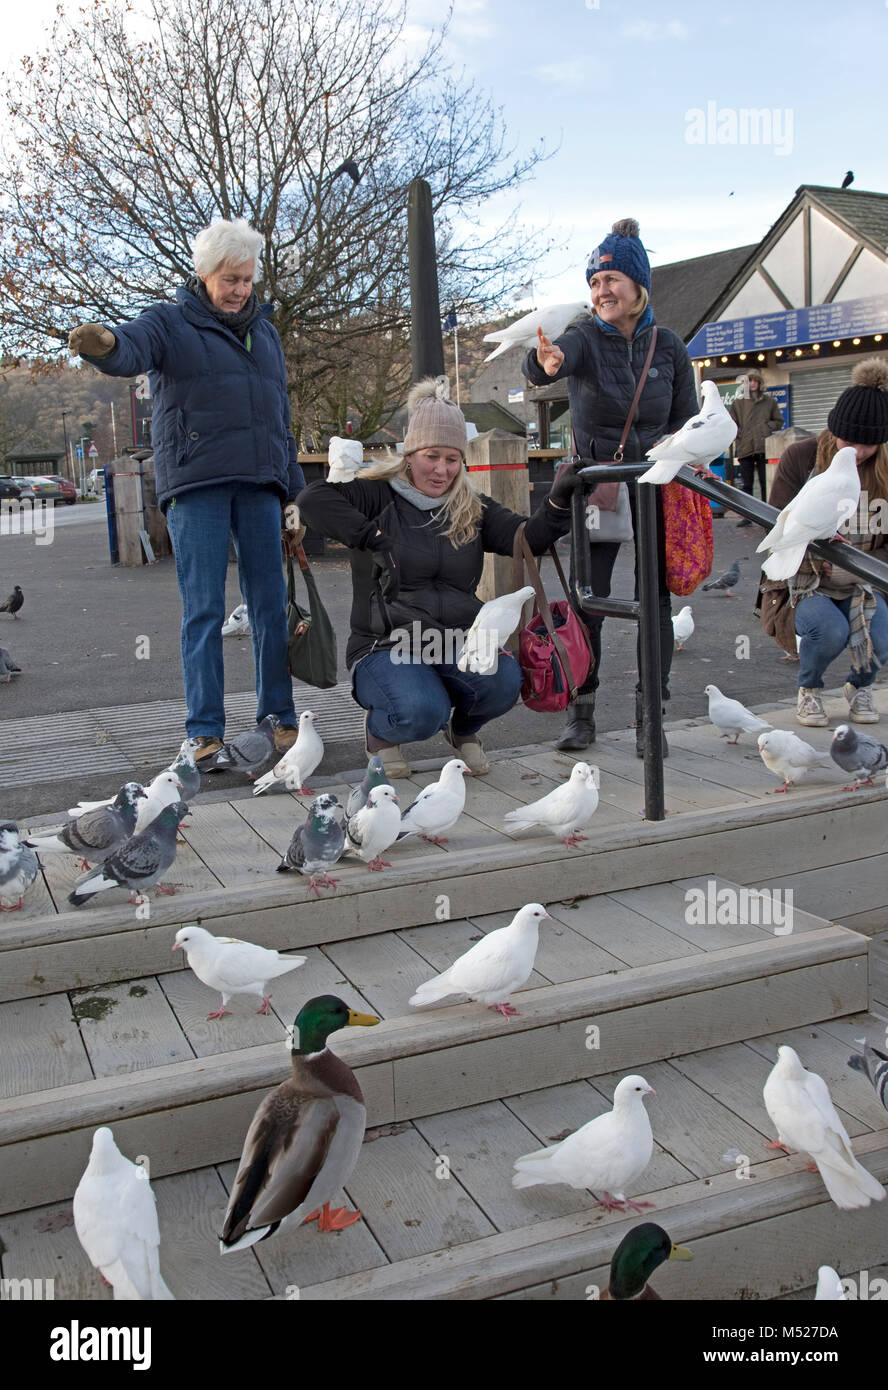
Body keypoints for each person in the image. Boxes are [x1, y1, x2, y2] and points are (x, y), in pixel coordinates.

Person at [68, 218, 305, 767]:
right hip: (197, 483)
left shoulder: (266, 334)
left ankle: (279, 717)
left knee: (270, 605)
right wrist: (104, 346)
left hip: (261, 484)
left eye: (247, 279)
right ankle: (205, 732)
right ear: (203, 275)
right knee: (203, 608)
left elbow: (280, 419)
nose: (240, 289)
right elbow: (129, 349)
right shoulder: (169, 323)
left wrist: (294, 495)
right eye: (229, 278)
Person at [296, 377, 575, 779]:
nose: (442, 469)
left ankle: (463, 730)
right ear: (410, 453)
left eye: (451, 459)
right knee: (420, 711)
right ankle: (382, 734)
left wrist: (557, 502)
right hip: (386, 643)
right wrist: (371, 536)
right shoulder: (378, 495)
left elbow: (525, 538)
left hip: (455, 640)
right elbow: (311, 500)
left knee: (504, 681)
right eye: (431, 456)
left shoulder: (470, 506)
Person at [522, 218, 698, 755]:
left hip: (654, 486)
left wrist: (693, 454)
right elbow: (551, 362)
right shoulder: (583, 336)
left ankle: (651, 715)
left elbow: (686, 421)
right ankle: (582, 711)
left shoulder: (668, 347)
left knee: (656, 602)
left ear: (638, 286)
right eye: (595, 284)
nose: (602, 292)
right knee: (588, 602)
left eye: (612, 281)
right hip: (596, 485)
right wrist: (543, 361)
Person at [757, 358, 888, 727]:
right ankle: (809, 690)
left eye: (869, 445)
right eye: (850, 442)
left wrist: (859, 566)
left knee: (882, 635)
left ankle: (860, 685)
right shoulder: (801, 457)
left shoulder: (885, 472)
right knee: (829, 631)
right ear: (834, 431)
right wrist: (818, 562)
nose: (858, 452)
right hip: (803, 581)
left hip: (862, 581)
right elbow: (776, 521)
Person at [730, 372, 784, 526]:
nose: (752, 383)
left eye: (755, 380)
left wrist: (766, 428)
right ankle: (747, 515)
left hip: (763, 447)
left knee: (765, 483)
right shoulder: (738, 404)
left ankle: (767, 514)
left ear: (760, 383)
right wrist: (739, 433)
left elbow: (778, 421)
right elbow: (731, 423)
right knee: (747, 484)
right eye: (750, 381)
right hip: (745, 447)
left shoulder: (770, 402)